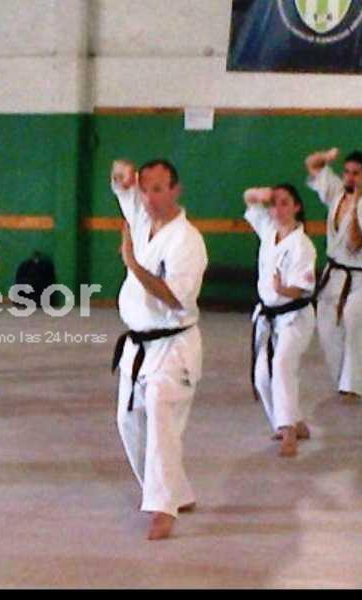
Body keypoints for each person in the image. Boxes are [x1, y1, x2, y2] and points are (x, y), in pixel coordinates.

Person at [109, 158, 208, 540]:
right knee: (128, 421)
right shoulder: (140, 218)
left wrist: (132, 263)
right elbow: (121, 183)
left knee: (161, 418)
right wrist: (121, 174)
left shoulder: (187, 241)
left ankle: (163, 507)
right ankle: (175, 491)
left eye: (158, 189)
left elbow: (173, 298)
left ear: (175, 190)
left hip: (173, 345)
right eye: (145, 188)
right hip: (138, 344)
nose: (149, 197)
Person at [244, 185, 317, 457]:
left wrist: (281, 289)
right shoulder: (268, 229)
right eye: (274, 204)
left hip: (295, 317)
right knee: (262, 376)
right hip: (269, 316)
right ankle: (294, 422)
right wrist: (261, 194)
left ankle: (288, 433)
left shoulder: (302, 244)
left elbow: (300, 290)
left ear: (297, 207)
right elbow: (248, 198)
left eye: (285, 203)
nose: (277, 209)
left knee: (282, 364)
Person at [305, 148, 362, 401]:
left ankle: (353, 385)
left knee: (352, 317)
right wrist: (327, 157)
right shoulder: (336, 193)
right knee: (327, 328)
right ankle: (346, 379)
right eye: (347, 172)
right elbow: (312, 164)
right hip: (334, 274)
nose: (350, 177)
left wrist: (356, 205)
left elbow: (354, 243)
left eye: (356, 173)